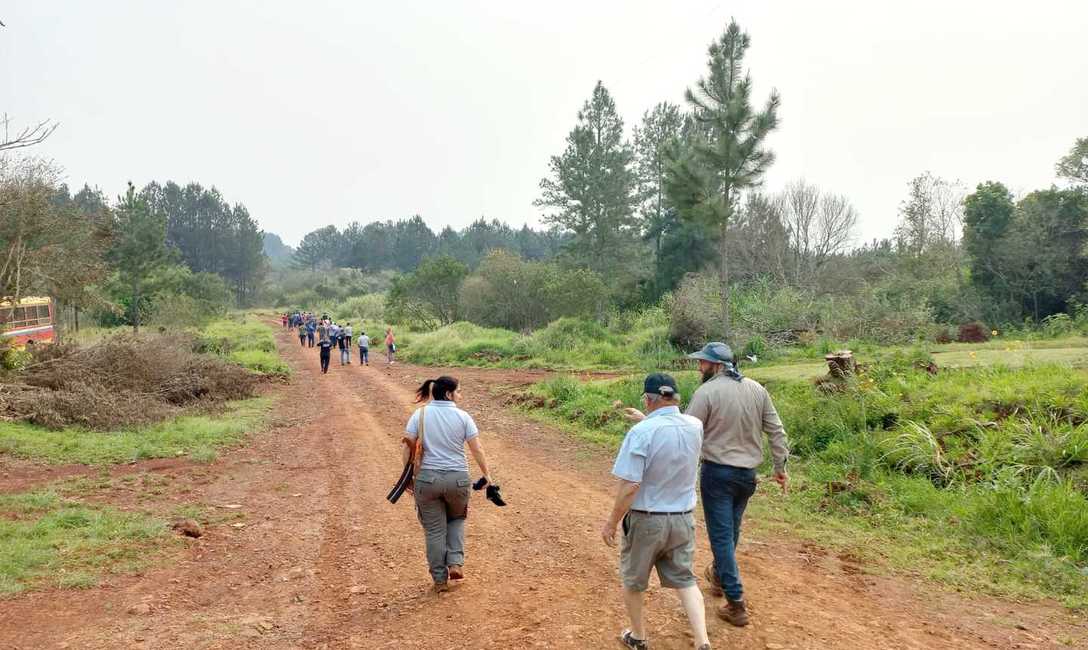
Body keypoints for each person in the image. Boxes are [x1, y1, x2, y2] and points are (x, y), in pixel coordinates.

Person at [603, 373, 711, 650]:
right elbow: (669, 434)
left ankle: (638, 637)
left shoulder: (641, 433)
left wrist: (612, 522)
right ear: (675, 397)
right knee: (685, 580)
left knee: (634, 581)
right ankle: (702, 641)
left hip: (647, 520)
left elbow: (631, 485)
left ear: (648, 399)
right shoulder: (695, 426)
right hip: (682, 519)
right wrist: (645, 420)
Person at [685, 342, 789, 626]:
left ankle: (736, 603)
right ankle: (719, 577)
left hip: (717, 474)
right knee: (731, 531)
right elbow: (776, 431)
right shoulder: (757, 389)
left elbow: (687, 432)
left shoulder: (706, 392)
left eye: (703, 362)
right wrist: (780, 467)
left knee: (722, 537)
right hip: (747, 476)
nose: (700, 367)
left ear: (717, 365)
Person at [403, 376, 493, 592]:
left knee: (434, 530)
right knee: (457, 519)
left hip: (427, 480)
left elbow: (407, 446)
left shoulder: (419, 415)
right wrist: (487, 475)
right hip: (458, 480)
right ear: (448, 394)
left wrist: (407, 477)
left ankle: (439, 580)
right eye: (458, 391)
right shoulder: (463, 417)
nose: (460, 395)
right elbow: (477, 449)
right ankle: (455, 563)